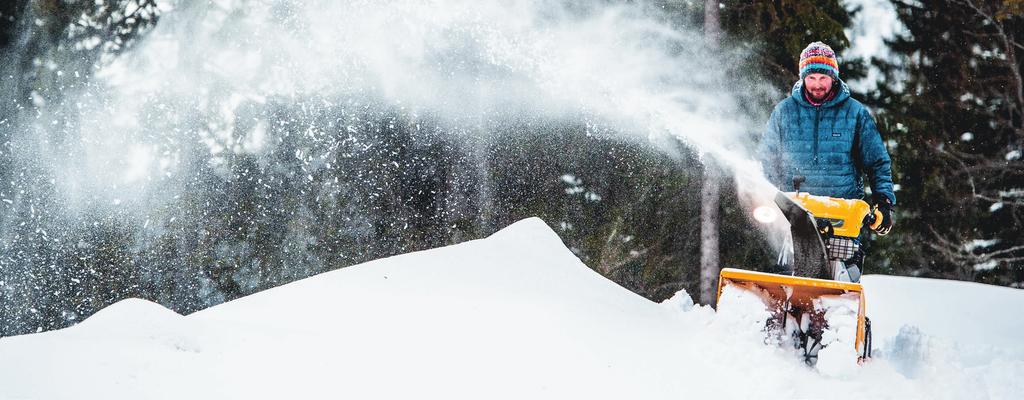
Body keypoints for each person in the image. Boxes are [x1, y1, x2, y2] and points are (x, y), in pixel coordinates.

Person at [759, 41, 895, 279]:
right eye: (811, 78)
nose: (817, 85)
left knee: (841, 285)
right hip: (796, 216)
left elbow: (877, 163)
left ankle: (843, 316)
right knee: (786, 282)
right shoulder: (784, 112)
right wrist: (767, 197)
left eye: (823, 77)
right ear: (803, 77)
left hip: (842, 218)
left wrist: (883, 203)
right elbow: (767, 160)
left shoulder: (855, 113)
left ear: (834, 76)